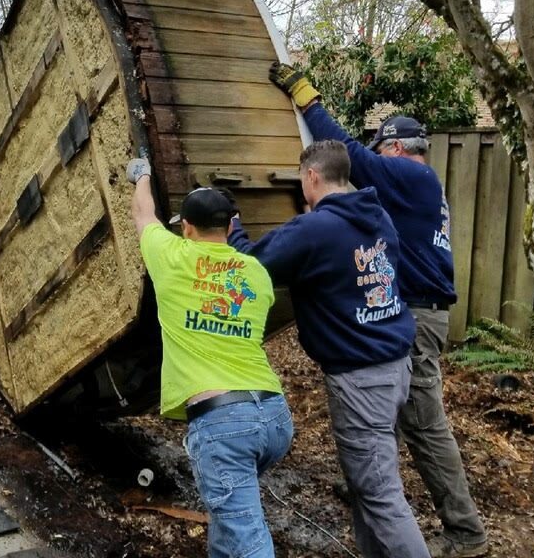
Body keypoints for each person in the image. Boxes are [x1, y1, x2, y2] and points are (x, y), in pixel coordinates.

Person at [269, 62, 489, 558]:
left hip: (417, 317)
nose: (375, 161)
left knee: (424, 427)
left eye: (380, 151)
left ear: (395, 149)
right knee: (387, 429)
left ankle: (464, 532)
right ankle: (382, 514)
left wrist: (308, 100)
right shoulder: (417, 186)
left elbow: (352, 163)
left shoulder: (412, 176)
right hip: (413, 313)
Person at [229, 140, 428, 558]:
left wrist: (234, 227)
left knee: (379, 493)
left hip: (361, 378)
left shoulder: (314, 230)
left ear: (312, 177)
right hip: (395, 364)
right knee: (367, 483)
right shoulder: (377, 217)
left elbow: (251, 265)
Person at [126, 157, 294, 558]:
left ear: (185, 227)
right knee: (229, 520)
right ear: (231, 226)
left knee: (247, 536)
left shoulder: (171, 257)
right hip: (273, 417)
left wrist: (142, 174)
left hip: (223, 426)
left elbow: (142, 213)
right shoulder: (255, 273)